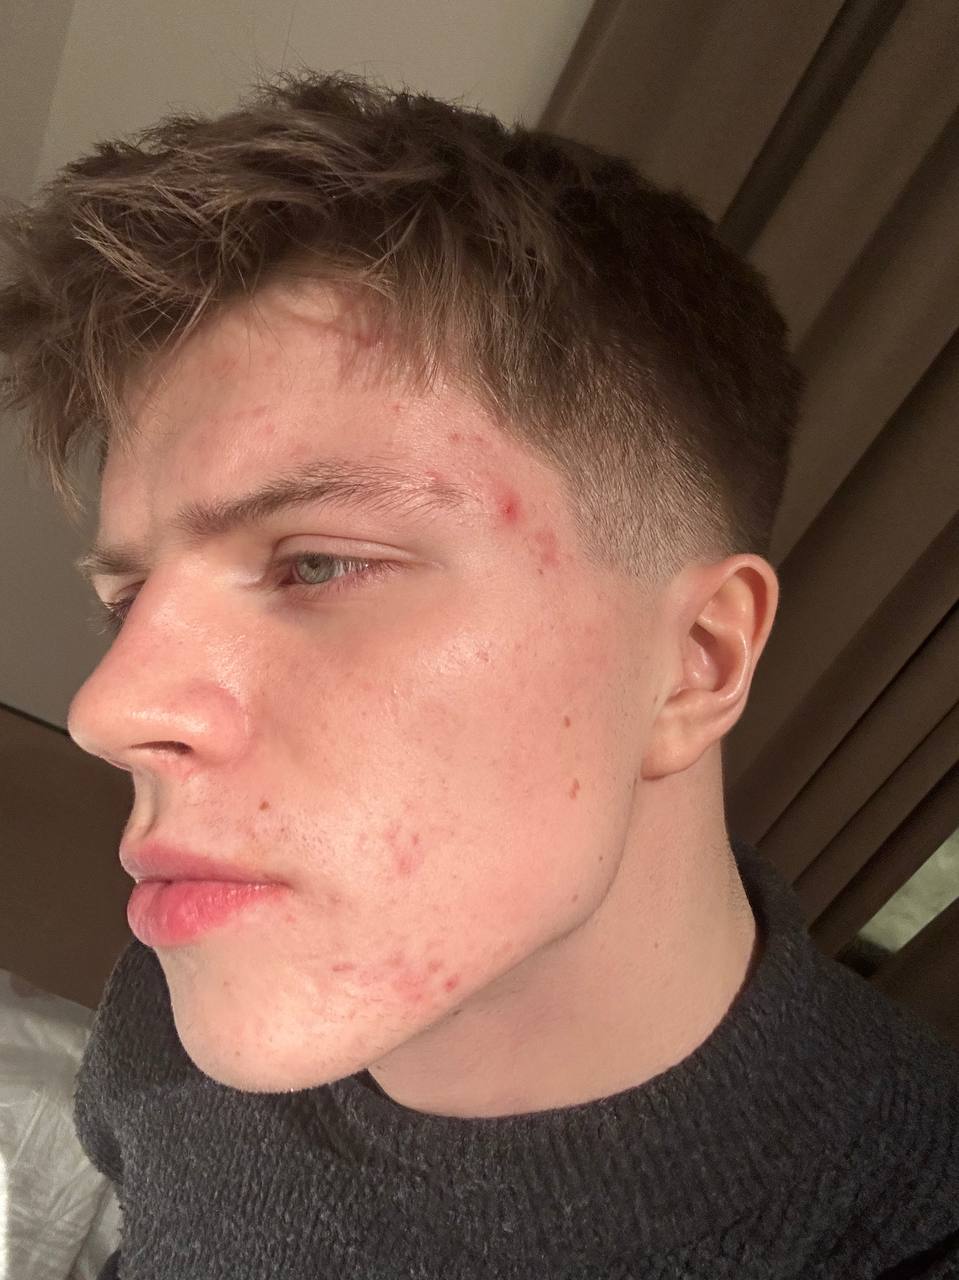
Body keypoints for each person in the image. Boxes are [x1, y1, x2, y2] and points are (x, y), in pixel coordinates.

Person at [1, 70, 956, 1280]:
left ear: (695, 659)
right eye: (127, 603)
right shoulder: (181, 976)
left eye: (318, 563)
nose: (107, 711)